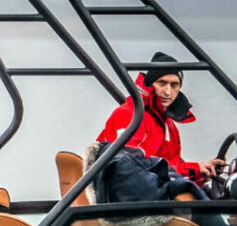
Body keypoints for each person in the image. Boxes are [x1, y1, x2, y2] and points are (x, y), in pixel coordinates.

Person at [95, 52, 228, 190]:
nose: (168, 92)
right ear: (150, 84)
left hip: (150, 193)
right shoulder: (130, 115)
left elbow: (171, 168)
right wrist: (193, 170)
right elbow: (129, 169)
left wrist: (199, 172)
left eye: (174, 85)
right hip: (125, 196)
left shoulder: (169, 126)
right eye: (162, 83)